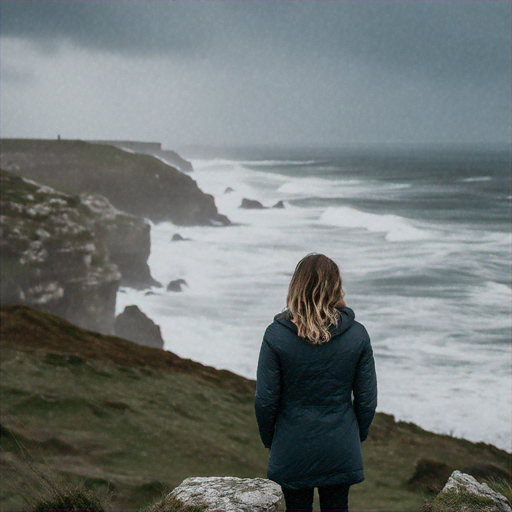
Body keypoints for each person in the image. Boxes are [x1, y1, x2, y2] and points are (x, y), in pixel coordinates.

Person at [255, 253, 377, 512]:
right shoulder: (356, 335)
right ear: (336, 286)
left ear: (296, 285)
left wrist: (271, 440)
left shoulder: (276, 335)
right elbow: (367, 401)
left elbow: (265, 401)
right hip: (340, 444)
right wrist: (356, 435)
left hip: (292, 446)